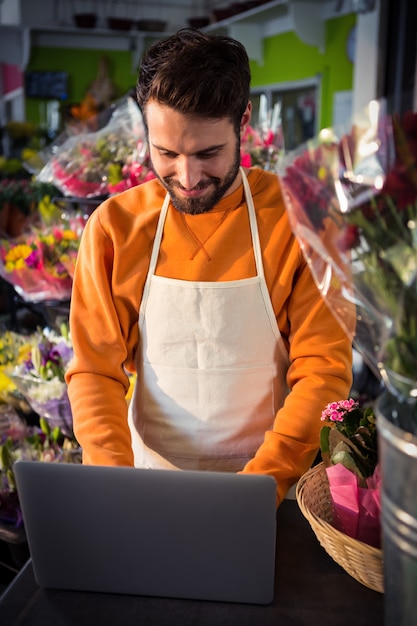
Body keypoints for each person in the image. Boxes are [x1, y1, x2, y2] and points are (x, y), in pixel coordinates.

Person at [65, 28, 353, 505]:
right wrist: (115, 488)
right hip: (145, 485)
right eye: (167, 154)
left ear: (244, 120)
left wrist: (258, 491)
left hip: (272, 494)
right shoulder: (114, 228)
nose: (188, 177)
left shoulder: (302, 221)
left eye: (208, 153)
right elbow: (95, 371)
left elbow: (323, 372)